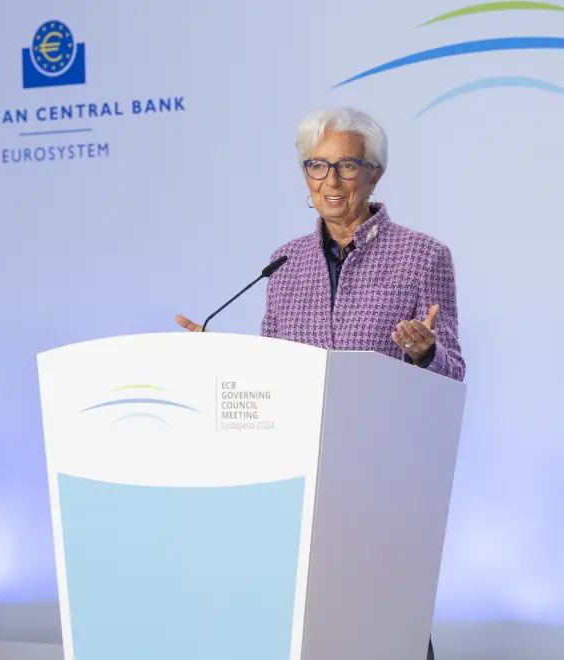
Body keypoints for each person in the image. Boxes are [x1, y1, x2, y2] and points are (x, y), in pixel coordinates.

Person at [176, 107, 464, 659]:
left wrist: (426, 352)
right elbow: (269, 366)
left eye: (347, 167)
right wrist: (214, 358)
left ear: (374, 173)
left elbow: (454, 368)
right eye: (317, 166)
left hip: (383, 480)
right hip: (298, 478)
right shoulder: (284, 261)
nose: (331, 182)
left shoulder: (425, 256)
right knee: (308, 630)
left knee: (388, 625)